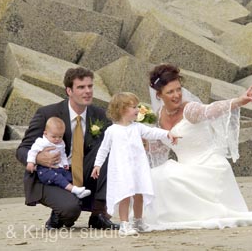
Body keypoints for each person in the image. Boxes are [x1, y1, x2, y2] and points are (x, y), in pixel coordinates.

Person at [144, 63, 252, 230]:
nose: (177, 95)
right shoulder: (159, 116)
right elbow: (160, 148)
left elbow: (210, 110)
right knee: (154, 175)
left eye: (178, 89)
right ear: (159, 95)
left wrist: (239, 101)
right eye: (170, 92)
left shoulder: (189, 109)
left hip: (209, 167)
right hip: (185, 169)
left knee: (166, 175)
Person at [16, 67, 119, 230]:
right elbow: (22, 149)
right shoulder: (47, 113)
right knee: (70, 210)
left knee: (109, 147)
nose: (87, 91)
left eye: (90, 86)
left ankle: (99, 214)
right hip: (53, 174)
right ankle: (60, 211)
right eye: (81, 87)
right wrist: (37, 158)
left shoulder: (99, 114)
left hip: (85, 171)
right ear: (69, 90)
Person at [91, 92, 179, 236]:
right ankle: (124, 224)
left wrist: (167, 134)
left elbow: (152, 132)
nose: (138, 110)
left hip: (138, 168)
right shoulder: (112, 131)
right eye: (133, 107)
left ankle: (138, 221)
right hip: (122, 169)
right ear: (121, 109)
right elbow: (104, 149)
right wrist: (97, 165)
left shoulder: (137, 127)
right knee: (125, 195)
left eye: (137, 106)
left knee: (139, 194)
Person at [26, 117, 91, 199]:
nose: (57, 139)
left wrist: (65, 163)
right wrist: (31, 162)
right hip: (45, 170)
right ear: (45, 133)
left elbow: (63, 154)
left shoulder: (61, 143)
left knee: (68, 176)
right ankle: (74, 189)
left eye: (60, 136)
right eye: (54, 137)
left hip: (58, 167)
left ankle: (77, 192)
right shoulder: (41, 142)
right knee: (58, 178)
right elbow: (32, 152)